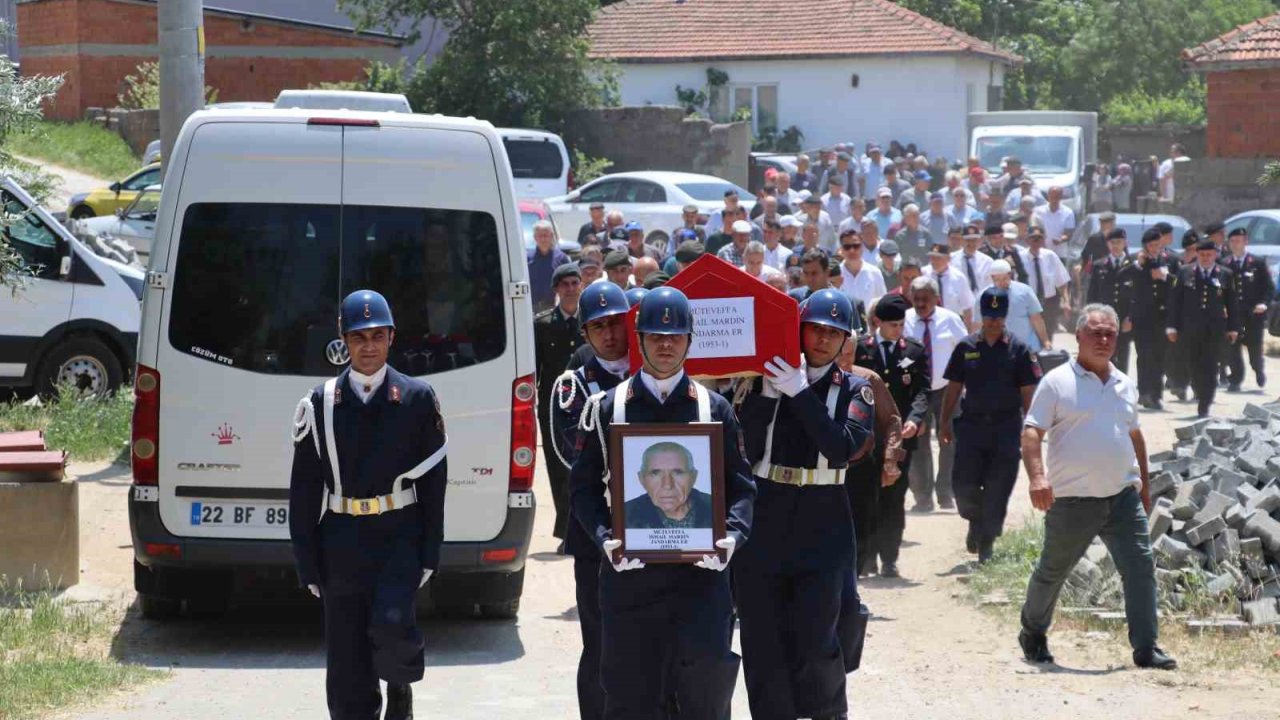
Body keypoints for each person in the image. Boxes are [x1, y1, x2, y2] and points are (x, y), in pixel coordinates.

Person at [569, 287, 756, 720]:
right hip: (631, 583)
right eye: (656, 336)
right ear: (639, 339)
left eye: (675, 337)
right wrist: (604, 539)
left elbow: (742, 488)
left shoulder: (715, 409)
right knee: (631, 700)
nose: (666, 345)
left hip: (701, 582)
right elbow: (582, 490)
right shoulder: (607, 408)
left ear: (690, 340)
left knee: (703, 701)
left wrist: (732, 537)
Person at [289, 290, 447, 720]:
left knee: (393, 626)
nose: (369, 346)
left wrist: (430, 551)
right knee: (347, 659)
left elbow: (434, 484)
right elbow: (304, 489)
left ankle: (400, 688)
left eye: (378, 335)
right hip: (341, 538)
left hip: (398, 534)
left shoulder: (416, 397)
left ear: (392, 337)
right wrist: (306, 561)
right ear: (343, 340)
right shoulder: (320, 403)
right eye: (359, 337)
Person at [734, 289, 874, 720]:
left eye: (834, 332)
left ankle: (828, 713)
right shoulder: (761, 380)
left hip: (822, 514)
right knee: (761, 636)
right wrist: (766, 396)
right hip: (767, 509)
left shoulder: (856, 389)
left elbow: (841, 447)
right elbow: (740, 445)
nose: (823, 339)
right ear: (798, 329)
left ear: (846, 340)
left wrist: (798, 392)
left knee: (818, 635)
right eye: (815, 328)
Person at [1019, 304, 1177, 671]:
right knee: (1053, 571)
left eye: (1110, 333)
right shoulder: (1057, 382)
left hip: (1121, 498)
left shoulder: (1124, 383)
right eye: (1095, 333)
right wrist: (1038, 478)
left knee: (1140, 568)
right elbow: (1032, 432)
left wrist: (1143, 487)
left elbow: (1134, 435)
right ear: (1078, 336)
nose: (1103, 339)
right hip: (1072, 501)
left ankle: (1146, 647)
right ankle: (1033, 632)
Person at [549, 281, 632, 720]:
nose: (610, 334)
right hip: (597, 528)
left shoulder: (651, 374)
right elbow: (572, 453)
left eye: (616, 323)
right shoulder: (574, 386)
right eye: (599, 327)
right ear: (585, 333)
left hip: (657, 528)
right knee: (600, 641)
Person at [940, 287, 1041, 562]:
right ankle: (975, 519)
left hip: (1006, 427)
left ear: (1005, 316)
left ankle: (987, 542)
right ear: (981, 316)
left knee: (998, 487)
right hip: (971, 427)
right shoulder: (966, 347)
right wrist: (944, 421)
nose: (994, 322)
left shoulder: (1019, 349)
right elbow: (954, 387)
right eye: (988, 316)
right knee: (963, 485)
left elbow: (1028, 392)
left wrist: (1030, 428)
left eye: (998, 316)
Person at [855, 294, 929, 578]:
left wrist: (915, 419)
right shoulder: (860, 349)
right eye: (893, 325)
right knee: (866, 497)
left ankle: (889, 558)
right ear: (878, 323)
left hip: (900, 438)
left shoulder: (914, 351)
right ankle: (867, 558)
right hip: (866, 437)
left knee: (894, 497)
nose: (898, 330)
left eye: (901, 324)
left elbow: (922, 391)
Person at [904, 277, 968, 512]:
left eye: (925, 299)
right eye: (916, 299)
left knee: (949, 441)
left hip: (947, 390)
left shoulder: (950, 319)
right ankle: (923, 497)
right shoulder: (904, 320)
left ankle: (945, 492)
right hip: (916, 391)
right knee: (917, 443)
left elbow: (966, 351)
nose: (920, 303)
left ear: (936, 298)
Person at [535, 264, 585, 549]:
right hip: (553, 409)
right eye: (564, 284)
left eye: (574, 283)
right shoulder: (542, 324)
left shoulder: (590, 321)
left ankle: (579, 531)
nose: (570, 289)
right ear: (556, 289)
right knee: (559, 470)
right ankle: (568, 532)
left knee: (583, 468)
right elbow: (536, 369)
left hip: (586, 407)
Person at [1168, 239, 1240, 418]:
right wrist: (1172, 326)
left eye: (1209, 254)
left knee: (1210, 365)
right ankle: (1200, 391)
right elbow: (1175, 301)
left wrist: (1233, 328)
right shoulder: (1185, 272)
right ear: (1197, 255)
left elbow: (1232, 303)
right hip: (1190, 329)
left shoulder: (1225, 274)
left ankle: (1205, 402)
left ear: (1215, 255)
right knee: (1193, 364)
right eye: (1202, 255)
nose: (1206, 258)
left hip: (1215, 330)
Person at [1123, 228, 1176, 410]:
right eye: (1151, 245)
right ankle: (1145, 392)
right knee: (1145, 355)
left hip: (1162, 316)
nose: (1155, 249)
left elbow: (1179, 282)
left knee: (1160, 356)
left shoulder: (1169, 260)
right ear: (1145, 246)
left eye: (1157, 245)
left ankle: (1156, 394)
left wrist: (1165, 276)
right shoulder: (1136, 261)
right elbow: (1122, 278)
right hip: (1142, 316)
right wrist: (1138, 265)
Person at [1221, 227, 1273, 390]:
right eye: (1232, 241)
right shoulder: (1224, 264)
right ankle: (1236, 378)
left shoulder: (1257, 263)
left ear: (1245, 242)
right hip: (1233, 315)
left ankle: (1258, 369)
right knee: (1232, 348)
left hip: (1253, 314)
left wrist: (1264, 303)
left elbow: (1268, 287)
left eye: (1238, 241)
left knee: (1254, 348)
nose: (1235, 244)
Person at [624, 442, 715, 528]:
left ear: (693, 477)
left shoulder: (717, 508)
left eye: (678, 473)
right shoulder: (624, 514)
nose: (667, 485)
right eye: (655, 473)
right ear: (641, 478)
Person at [1085, 228, 1133, 372]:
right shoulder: (1099, 265)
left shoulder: (1133, 265)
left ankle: (1121, 382)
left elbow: (1138, 296)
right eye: (1112, 242)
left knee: (1123, 354)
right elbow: (1092, 295)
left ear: (1125, 243)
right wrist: (1091, 317)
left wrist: (1131, 317)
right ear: (1108, 244)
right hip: (1104, 318)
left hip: (1125, 318)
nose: (1116, 245)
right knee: (1105, 353)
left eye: (1119, 242)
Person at [989, 260, 1052, 353]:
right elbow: (979, 323)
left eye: (1005, 278)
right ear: (992, 278)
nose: (1002, 282)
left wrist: (1045, 341)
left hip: (1028, 347)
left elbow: (1036, 318)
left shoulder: (1025, 291)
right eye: (998, 280)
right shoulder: (985, 296)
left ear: (1010, 275)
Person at [1021, 228, 1072, 334]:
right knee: (1029, 336)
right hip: (1027, 304)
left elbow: (1062, 281)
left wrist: (1066, 302)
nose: (1036, 241)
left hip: (1048, 304)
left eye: (1039, 238)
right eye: (1033, 238)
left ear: (1043, 240)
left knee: (1047, 335)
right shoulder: (1020, 258)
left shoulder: (1050, 256)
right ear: (1027, 240)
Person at [923, 242, 975, 328]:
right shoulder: (923, 274)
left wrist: (967, 330)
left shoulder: (958, 278)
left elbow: (967, 306)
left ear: (948, 259)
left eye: (938, 258)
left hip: (951, 325)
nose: (934, 261)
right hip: (927, 323)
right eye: (932, 257)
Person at [837, 229, 887, 309]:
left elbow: (883, 303)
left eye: (856, 246)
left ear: (862, 247)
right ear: (841, 249)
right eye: (847, 247)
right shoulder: (835, 274)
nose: (852, 250)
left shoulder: (875, 272)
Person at [528, 220, 571, 312]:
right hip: (531, 307)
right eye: (540, 236)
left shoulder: (561, 258)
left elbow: (569, 282)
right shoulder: (527, 258)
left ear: (551, 236)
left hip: (554, 307)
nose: (543, 239)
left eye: (546, 235)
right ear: (535, 237)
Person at [1034, 187, 1076, 261]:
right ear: (1048, 196)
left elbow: (1069, 233)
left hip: (1060, 254)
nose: (1054, 199)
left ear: (1061, 197)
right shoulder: (1038, 211)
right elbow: (1034, 228)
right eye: (1052, 196)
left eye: (1057, 197)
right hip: (1041, 253)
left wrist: (1061, 240)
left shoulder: (1068, 212)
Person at [953, 224, 994, 298]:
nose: (971, 243)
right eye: (968, 240)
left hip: (981, 301)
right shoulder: (951, 259)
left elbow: (991, 286)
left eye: (974, 240)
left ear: (979, 241)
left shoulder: (987, 262)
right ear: (961, 240)